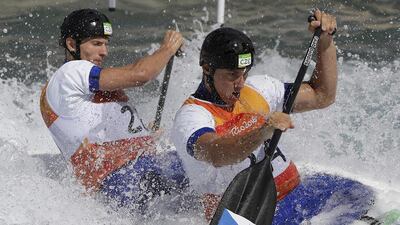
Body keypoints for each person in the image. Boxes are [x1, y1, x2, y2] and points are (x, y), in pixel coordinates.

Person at [172, 10, 374, 224]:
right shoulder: (192, 115)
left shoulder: (258, 89)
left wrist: (325, 42)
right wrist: (264, 131)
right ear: (207, 69)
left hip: (294, 196)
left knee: (357, 193)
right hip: (246, 215)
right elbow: (216, 154)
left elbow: (322, 96)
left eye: (245, 73)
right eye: (232, 75)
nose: (240, 83)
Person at [39, 8, 188, 211]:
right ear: (72, 44)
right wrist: (168, 48)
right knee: (204, 164)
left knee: (202, 159)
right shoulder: (70, 72)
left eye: (106, 44)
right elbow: (141, 74)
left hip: (131, 175)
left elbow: (101, 130)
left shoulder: (83, 88)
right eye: (97, 43)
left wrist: (146, 135)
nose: (104, 52)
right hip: (121, 180)